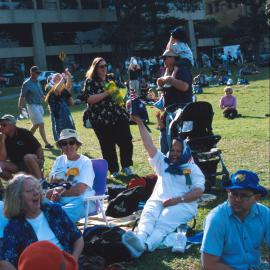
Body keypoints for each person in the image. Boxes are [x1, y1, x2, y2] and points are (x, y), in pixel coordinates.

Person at [122, 115, 205, 257]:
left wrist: (176, 200)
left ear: (185, 152)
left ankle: (146, 246)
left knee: (163, 222)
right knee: (148, 216)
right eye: (173, 150)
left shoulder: (192, 169)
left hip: (183, 204)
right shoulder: (163, 162)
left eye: (178, 151)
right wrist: (141, 124)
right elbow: (149, 145)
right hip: (158, 199)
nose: (174, 153)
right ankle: (140, 240)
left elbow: (198, 191)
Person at [1, 173, 83, 268]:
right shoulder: (14, 227)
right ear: (18, 198)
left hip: (66, 265)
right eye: (29, 191)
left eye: (36, 188)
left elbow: (78, 238)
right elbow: (5, 261)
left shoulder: (53, 211)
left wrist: (73, 261)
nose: (36, 192)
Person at [201, 170, 270, 270]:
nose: (237, 199)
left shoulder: (264, 213)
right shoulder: (216, 219)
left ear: (256, 197)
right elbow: (209, 264)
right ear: (228, 193)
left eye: (244, 195)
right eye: (234, 194)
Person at [79, 57, 133, 178]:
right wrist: (106, 93)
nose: (104, 68)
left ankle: (126, 166)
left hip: (119, 114)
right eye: (101, 66)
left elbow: (122, 91)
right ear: (95, 68)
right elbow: (89, 99)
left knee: (126, 141)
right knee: (107, 145)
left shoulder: (112, 77)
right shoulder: (90, 81)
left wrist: (120, 92)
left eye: (106, 65)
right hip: (100, 118)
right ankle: (114, 170)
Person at [46, 129, 96, 223]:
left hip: (81, 201)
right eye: (64, 143)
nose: (68, 146)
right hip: (58, 200)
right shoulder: (59, 160)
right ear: (61, 146)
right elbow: (51, 182)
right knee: (36, 208)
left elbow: (79, 190)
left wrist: (58, 192)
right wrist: (54, 191)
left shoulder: (85, 162)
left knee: (57, 217)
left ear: (77, 145)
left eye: (72, 142)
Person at [157, 50, 193, 154]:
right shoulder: (168, 70)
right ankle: (166, 164)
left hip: (181, 111)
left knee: (179, 140)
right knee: (165, 141)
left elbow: (184, 86)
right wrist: (161, 82)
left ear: (174, 58)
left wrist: (169, 79)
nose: (163, 60)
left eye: (166, 57)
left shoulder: (182, 70)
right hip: (169, 111)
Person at [0, 114, 44, 181]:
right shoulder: (2, 137)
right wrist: (2, 141)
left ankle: (41, 181)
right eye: (0, 125)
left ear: (12, 125)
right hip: (16, 164)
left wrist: (41, 159)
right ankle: (16, 184)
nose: (1, 127)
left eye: (4, 125)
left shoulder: (24, 133)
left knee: (27, 157)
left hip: (31, 161)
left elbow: (38, 147)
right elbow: (2, 159)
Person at [18, 65, 52, 149]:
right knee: (41, 124)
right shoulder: (26, 83)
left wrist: (49, 101)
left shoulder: (37, 82)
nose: (38, 74)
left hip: (39, 106)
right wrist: (20, 107)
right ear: (31, 73)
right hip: (31, 106)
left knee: (36, 125)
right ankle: (47, 144)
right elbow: (21, 96)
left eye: (38, 73)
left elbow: (41, 94)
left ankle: (24, 140)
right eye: (36, 73)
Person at [45, 70, 75, 141]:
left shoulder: (62, 87)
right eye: (57, 77)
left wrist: (69, 77)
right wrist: (63, 79)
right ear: (53, 79)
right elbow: (56, 90)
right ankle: (59, 141)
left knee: (69, 126)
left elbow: (68, 87)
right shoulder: (48, 86)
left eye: (59, 77)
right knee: (58, 127)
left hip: (64, 110)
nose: (59, 78)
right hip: (56, 111)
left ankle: (71, 140)